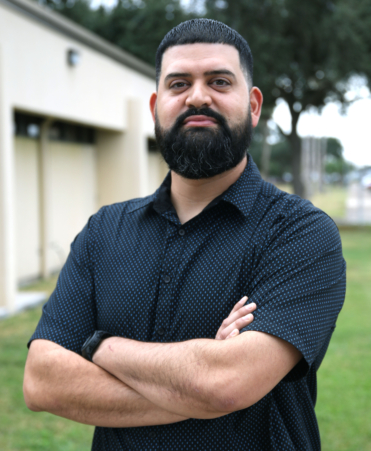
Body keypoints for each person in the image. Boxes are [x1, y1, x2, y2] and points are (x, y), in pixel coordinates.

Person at [23, 19, 346, 451]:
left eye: (219, 81)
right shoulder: (104, 232)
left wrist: (100, 346)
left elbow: (225, 382)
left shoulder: (299, 233)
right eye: (179, 84)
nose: (197, 96)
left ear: (252, 105)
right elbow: (43, 382)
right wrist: (200, 384)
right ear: (157, 105)